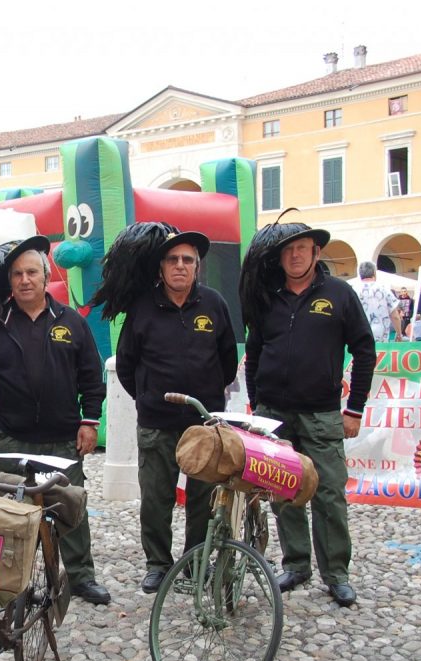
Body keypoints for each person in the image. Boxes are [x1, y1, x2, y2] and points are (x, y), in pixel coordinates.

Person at [0, 236, 110, 605]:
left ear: (46, 277)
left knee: (69, 508)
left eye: (32, 272)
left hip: (63, 439)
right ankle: (16, 581)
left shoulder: (71, 322)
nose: (25, 280)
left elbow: (92, 376)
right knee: (14, 514)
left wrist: (90, 421)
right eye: (17, 274)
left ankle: (80, 577)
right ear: (9, 281)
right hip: (14, 439)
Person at [90, 222, 237, 595]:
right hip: (157, 424)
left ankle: (195, 561)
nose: (180, 266)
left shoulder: (214, 305)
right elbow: (126, 364)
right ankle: (158, 564)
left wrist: (207, 395)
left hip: (204, 425)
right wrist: (149, 397)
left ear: (197, 267)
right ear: (161, 267)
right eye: (172, 259)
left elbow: (228, 362)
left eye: (188, 259)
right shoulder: (143, 309)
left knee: (202, 499)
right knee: (156, 499)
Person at [239, 218, 375, 607]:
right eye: (288, 249)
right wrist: (256, 405)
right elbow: (255, 354)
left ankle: (336, 573)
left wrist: (355, 409)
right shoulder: (268, 298)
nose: (295, 255)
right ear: (280, 257)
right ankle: (296, 564)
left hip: (321, 413)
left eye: (303, 248)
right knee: (284, 492)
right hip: (275, 414)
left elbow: (364, 351)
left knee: (329, 494)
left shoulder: (339, 294)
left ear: (316, 253)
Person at [354, 261, 403, 342]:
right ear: (374, 272)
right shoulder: (384, 289)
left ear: (360, 274)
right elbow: (395, 316)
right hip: (381, 337)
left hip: (359, 336)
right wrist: (399, 334)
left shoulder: (353, 290)